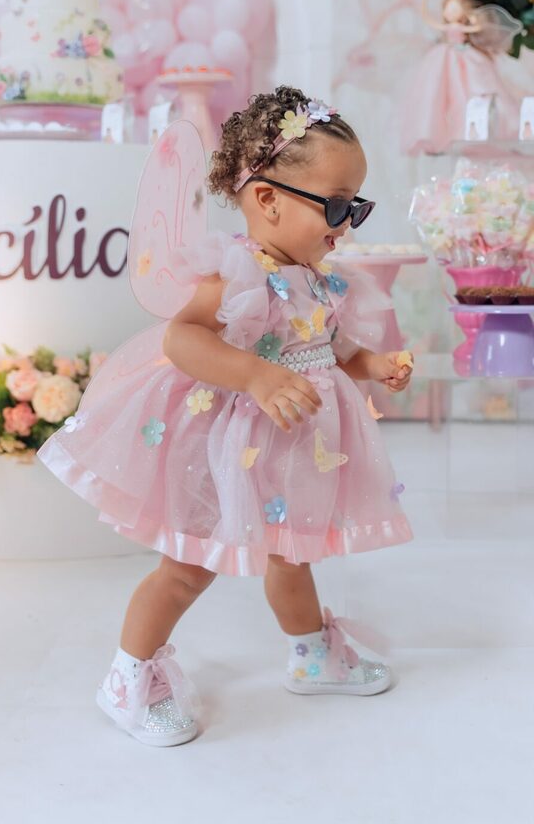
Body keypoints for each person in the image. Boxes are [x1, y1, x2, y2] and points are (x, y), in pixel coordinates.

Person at [38, 85, 414, 747]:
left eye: (355, 205)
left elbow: (329, 349)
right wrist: (255, 374)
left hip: (292, 453)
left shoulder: (319, 275)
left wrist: (373, 365)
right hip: (226, 453)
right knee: (187, 567)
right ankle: (128, 679)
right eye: (335, 205)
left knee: (292, 556)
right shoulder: (238, 272)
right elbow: (182, 339)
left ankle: (312, 654)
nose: (346, 223)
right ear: (267, 199)